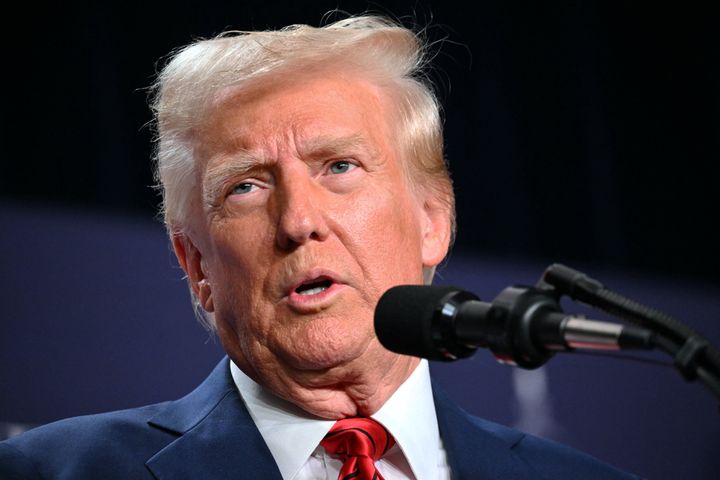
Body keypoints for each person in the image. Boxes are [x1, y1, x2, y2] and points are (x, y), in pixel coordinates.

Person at [0, 15, 638, 479]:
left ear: (432, 219)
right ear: (196, 266)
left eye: (339, 166)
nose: (299, 221)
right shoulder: (48, 472)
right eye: (247, 187)